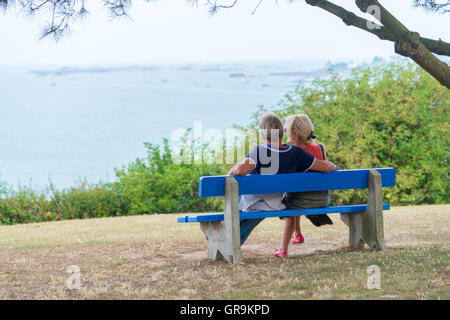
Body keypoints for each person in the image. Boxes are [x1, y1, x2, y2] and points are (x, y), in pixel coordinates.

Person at [227, 112, 338, 248]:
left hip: (252, 204)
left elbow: (239, 170)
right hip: (275, 203)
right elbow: (326, 167)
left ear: (262, 134)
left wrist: (227, 175)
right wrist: (334, 166)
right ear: (282, 133)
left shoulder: (259, 151)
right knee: (248, 213)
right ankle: (228, 240)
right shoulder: (296, 153)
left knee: (239, 199)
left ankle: (227, 240)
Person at [276, 114, 334, 258]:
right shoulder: (320, 148)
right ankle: (298, 234)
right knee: (296, 195)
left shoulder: (291, 151)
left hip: (300, 201)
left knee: (291, 200)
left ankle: (283, 249)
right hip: (322, 200)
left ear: (293, 132)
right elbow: (326, 167)